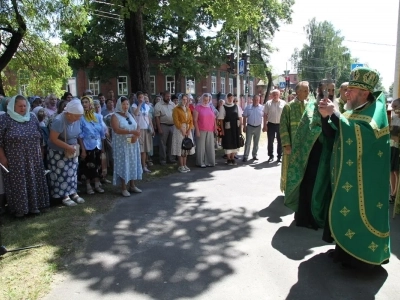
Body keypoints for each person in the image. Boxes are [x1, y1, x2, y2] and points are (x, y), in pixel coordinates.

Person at [318, 67, 390, 268]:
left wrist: (336, 115)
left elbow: (363, 136)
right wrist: (327, 117)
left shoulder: (375, 113)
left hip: (365, 181)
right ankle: (343, 251)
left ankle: (361, 258)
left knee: (359, 213)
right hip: (346, 175)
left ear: (365, 93)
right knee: (345, 211)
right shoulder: (354, 110)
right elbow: (336, 135)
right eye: (347, 90)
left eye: (351, 90)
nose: (346, 93)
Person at [284, 80, 335, 230]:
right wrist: (326, 129)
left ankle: (324, 216)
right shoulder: (313, 106)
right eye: (326, 90)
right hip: (313, 153)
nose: (329, 93)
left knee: (326, 185)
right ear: (320, 90)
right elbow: (310, 126)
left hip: (329, 153)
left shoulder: (336, 106)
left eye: (331, 90)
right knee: (310, 184)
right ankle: (307, 217)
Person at [0, 95, 50, 216]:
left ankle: (35, 207)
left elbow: (40, 137)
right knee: (19, 184)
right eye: (20, 106)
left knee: (34, 180)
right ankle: (20, 210)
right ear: (13, 106)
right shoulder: (5, 119)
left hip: (34, 157)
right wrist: (2, 158)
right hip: (15, 159)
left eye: (24, 106)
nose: (23, 108)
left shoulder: (32, 118)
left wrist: (41, 152)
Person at [48, 100, 85, 206]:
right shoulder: (59, 120)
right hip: (58, 152)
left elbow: (77, 134)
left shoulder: (77, 118)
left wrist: (76, 147)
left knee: (72, 173)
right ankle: (65, 196)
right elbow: (53, 139)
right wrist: (67, 146)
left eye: (79, 116)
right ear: (68, 113)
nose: (78, 118)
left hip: (72, 150)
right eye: (76, 116)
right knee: (61, 174)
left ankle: (73, 193)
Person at [279, 81, 310, 192]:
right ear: (297, 91)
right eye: (305, 90)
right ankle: (289, 191)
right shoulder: (289, 107)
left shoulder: (309, 107)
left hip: (306, 145)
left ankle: (302, 190)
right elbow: (283, 126)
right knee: (290, 168)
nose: (308, 93)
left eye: (308, 90)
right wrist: (287, 144)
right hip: (292, 145)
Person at [110, 96, 142, 196]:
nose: (126, 106)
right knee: (124, 163)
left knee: (132, 162)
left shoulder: (129, 115)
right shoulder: (114, 116)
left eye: (127, 104)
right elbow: (116, 130)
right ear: (119, 105)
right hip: (122, 144)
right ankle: (123, 187)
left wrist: (136, 135)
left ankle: (132, 185)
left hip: (132, 143)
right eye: (124, 104)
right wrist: (131, 131)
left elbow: (137, 126)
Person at [79, 96, 106, 195]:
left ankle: (97, 183)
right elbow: (80, 135)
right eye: (83, 103)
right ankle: (88, 185)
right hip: (87, 146)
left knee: (97, 164)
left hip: (97, 145)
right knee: (87, 166)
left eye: (86, 102)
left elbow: (102, 133)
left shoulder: (98, 116)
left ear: (90, 104)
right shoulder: (81, 118)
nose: (84, 104)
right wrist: (83, 149)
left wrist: (102, 147)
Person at [171, 94, 195, 172]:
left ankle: (185, 164)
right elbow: (176, 120)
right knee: (180, 148)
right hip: (179, 129)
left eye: (186, 99)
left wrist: (188, 130)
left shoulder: (187, 109)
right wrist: (182, 130)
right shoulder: (176, 109)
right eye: (183, 99)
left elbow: (191, 120)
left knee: (186, 147)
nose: (184, 101)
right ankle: (181, 165)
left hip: (187, 129)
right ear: (180, 99)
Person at [132, 91, 154, 173]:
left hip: (146, 129)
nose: (141, 99)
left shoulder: (147, 106)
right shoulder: (134, 105)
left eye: (143, 97)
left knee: (144, 149)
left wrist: (152, 127)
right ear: (137, 98)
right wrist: (140, 104)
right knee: (140, 148)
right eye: (140, 97)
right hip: (139, 129)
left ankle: (144, 166)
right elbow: (136, 113)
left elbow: (149, 118)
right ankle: (139, 166)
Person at [218, 93, 242, 165]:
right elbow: (221, 120)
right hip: (227, 128)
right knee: (228, 142)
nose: (230, 99)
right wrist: (222, 129)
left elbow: (240, 117)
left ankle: (232, 157)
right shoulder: (223, 107)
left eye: (232, 98)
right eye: (229, 98)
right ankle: (228, 159)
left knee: (235, 142)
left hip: (235, 127)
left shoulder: (236, 106)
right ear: (227, 98)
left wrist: (241, 127)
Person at [193, 93, 217, 167]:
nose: (206, 101)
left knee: (210, 147)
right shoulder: (198, 107)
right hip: (201, 129)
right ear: (202, 99)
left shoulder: (210, 107)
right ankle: (200, 162)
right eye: (205, 99)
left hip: (210, 130)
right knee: (201, 147)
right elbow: (195, 120)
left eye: (208, 100)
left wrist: (215, 128)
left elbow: (214, 119)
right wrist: (197, 130)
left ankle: (209, 162)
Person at [263, 89, 285, 162]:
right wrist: (265, 125)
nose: (275, 96)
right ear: (272, 95)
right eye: (274, 94)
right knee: (270, 141)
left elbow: (285, 115)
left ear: (279, 95)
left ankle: (279, 156)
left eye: (277, 94)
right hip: (271, 124)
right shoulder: (268, 103)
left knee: (280, 141)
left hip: (280, 124)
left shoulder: (283, 103)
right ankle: (270, 156)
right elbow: (265, 115)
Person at [154, 91, 176, 165]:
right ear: (163, 96)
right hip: (163, 125)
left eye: (169, 96)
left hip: (172, 126)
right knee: (163, 143)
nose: (169, 98)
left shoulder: (172, 104)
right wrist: (159, 128)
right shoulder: (158, 105)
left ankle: (171, 158)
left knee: (171, 143)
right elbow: (157, 118)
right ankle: (163, 159)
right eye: (167, 96)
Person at [242, 95, 264, 162]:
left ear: (259, 100)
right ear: (252, 100)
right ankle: (245, 156)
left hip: (258, 126)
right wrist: (244, 127)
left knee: (256, 142)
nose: (256, 101)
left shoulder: (262, 108)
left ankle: (254, 155)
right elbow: (245, 117)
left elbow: (265, 116)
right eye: (255, 99)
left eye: (257, 100)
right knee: (248, 142)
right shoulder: (248, 107)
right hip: (250, 126)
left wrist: (265, 125)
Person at [390, 98, 400, 204]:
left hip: (398, 148)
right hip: (392, 147)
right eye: (393, 106)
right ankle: (393, 193)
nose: (393, 108)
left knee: (397, 171)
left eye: (395, 106)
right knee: (391, 170)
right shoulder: (392, 118)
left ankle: (395, 194)